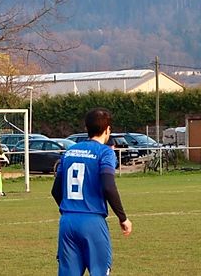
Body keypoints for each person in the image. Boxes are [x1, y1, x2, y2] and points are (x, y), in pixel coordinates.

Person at [52, 107, 132, 275]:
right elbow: (108, 186)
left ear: (86, 128)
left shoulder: (69, 152)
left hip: (67, 222)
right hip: (92, 221)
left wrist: (71, 209)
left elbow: (55, 190)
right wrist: (123, 218)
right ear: (107, 129)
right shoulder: (105, 152)